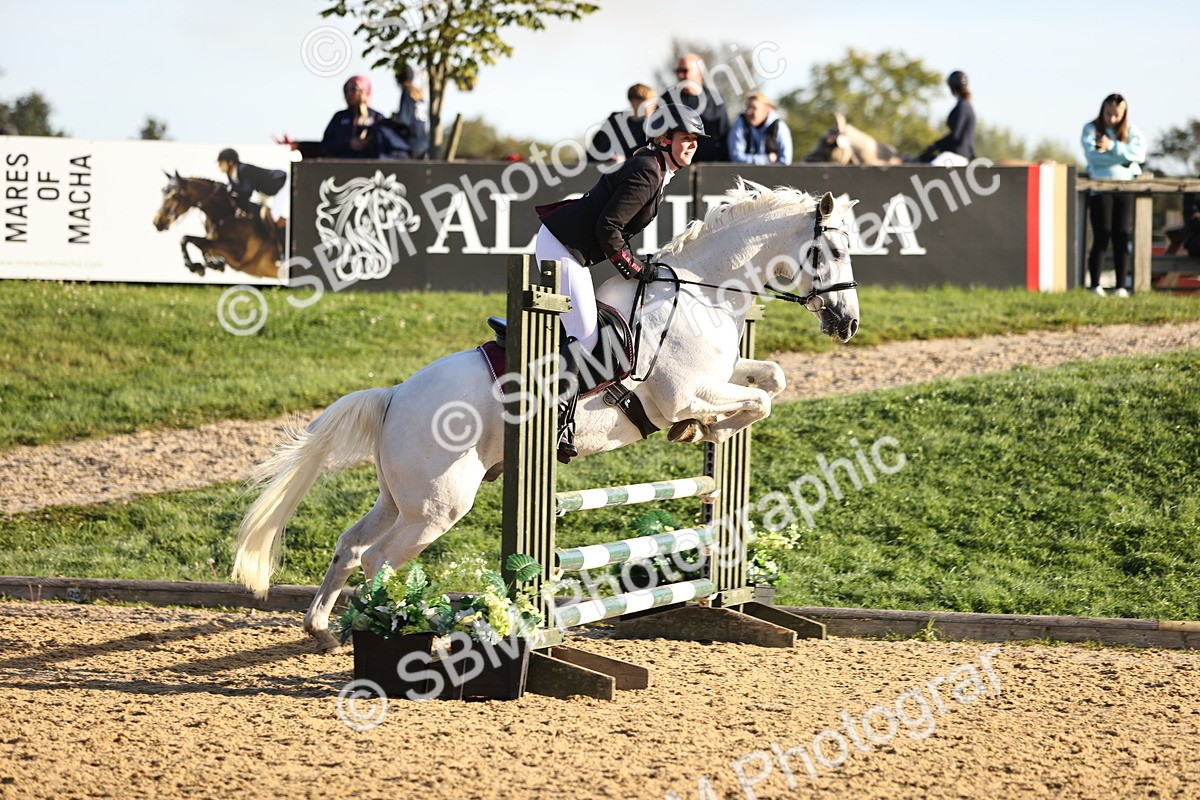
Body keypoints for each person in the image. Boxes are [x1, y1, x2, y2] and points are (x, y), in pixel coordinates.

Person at [534, 104, 706, 462]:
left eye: (694, 140)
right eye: (685, 139)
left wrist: (637, 264)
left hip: (571, 247)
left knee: (587, 330)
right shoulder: (647, 170)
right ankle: (556, 423)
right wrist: (633, 268)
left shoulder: (655, 167)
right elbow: (608, 228)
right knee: (586, 335)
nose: (691, 145)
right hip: (562, 248)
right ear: (663, 139)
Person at [1081, 93, 1147, 296]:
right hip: (1100, 188)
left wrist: (1112, 148)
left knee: (1121, 235)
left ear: (1124, 113)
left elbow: (1141, 154)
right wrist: (1124, 159)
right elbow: (1093, 157)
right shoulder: (1091, 129)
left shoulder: (1131, 130)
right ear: (1103, 110)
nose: (1112, 119)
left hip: (1125, 188)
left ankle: (1121, 286)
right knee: (1102, 234)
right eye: (1108, 113)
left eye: (1116, 115)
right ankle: (1095, 285)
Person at [320, 75, 408, 159]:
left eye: (353, 89)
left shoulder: (377, 117)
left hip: (369, 169)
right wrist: (348, 144)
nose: (349, 93)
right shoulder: (339, 117)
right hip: (341, 166)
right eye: (346, 90)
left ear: (364, 91)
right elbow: (325, 145)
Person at [660, 53, 728, 162]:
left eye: (685, 71)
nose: (680, 75)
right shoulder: (667, 99)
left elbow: (724, 135)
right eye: (678, 71)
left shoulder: (716, 99)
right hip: (676, 167)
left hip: (709, 167)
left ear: (700, 73)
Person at [216, 148, 287, 241]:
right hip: (265, 192)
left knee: (276, 217)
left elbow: (247, 191)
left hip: (280, 185)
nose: (219, 166)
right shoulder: (230, 175)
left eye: (221, 163)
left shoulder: (244, 169)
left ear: (230, 162)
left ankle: (283, 247)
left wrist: (231, 189)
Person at [588, 83, 659, 164]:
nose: (654, 106)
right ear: (635, 102)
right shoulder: (614, 122)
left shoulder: (653, 129)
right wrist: (610, 157)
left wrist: (626, 160)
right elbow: (596, 150)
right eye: (650, 102)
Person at [917, 70, 976, 166]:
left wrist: (934, 146)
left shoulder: (962, 106)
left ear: (951, 86)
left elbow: (955, 136)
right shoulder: (966, 105)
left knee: (929, 169)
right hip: (961, 154)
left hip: (957, 155)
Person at [727, 92, 792, 165]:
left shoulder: (780, 127)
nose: (748, 112)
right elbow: (736, 158)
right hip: (744, 174)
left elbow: (785, 162)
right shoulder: (740, 123)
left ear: (766, 111)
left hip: (772, 175)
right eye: (747, 107)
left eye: (754, 108)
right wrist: (767, 160)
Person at [389, 64, 429, 159]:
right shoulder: (418, 94)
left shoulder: (407, 92)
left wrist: (393, 119)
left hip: (410, 145)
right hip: (423, 144)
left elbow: (404, 120)